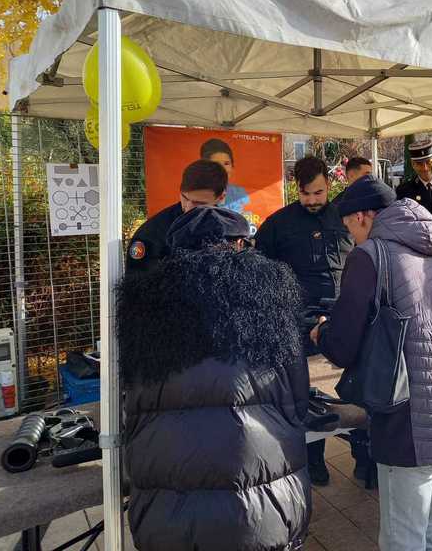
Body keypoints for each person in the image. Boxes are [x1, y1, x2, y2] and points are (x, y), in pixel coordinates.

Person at [118, 207, 311, 551]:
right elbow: (298, 398)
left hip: (165, 514)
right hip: (263, 507)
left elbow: (132, 407)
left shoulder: (143, 308)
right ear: (238, 244)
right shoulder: (270, 298)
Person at [310, 175, 432, 551]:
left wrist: (322, 332)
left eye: (349, 226)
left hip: (407, 422)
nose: (351, 236)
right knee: (427, 529)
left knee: (402, 538)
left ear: (363, 216)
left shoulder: (370, 255)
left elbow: (342, 345)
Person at [255, 155, 353, 486]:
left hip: (344, 316)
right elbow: (261, 272)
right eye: (305, 193)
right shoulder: (277, 225)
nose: (312, 200)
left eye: (318, 193)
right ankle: (314, 461)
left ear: (329, 185)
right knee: (306, 393)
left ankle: (365, 456)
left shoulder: (345, 217)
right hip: (298, 321)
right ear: (296, 188)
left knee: (357, 386)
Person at [125, 159, 228, 276]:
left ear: (221, 197)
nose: (188, 207)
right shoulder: (152, 233)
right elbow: (138, 282)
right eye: (185, 198)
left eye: (199, 203)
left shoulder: (231, 230)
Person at [200, 138, 251, 214]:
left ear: (232, 166)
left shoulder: (240, 192)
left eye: (226, 163)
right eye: (216, 164)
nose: (222, 169)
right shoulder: (197, 193)